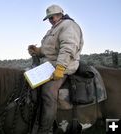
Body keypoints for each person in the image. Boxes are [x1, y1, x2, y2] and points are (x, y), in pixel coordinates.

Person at [28, 4, 84, 134]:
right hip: (49, 65)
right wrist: (37, 50)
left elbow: (68, 47)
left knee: (48, 92)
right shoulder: (52, 30)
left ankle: (45, 130)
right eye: (49, 18)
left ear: (61, 14)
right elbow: (48, 50)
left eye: (53, 16)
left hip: (64, 66)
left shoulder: (68, 25)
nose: (51, 19)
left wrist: (60, 68)